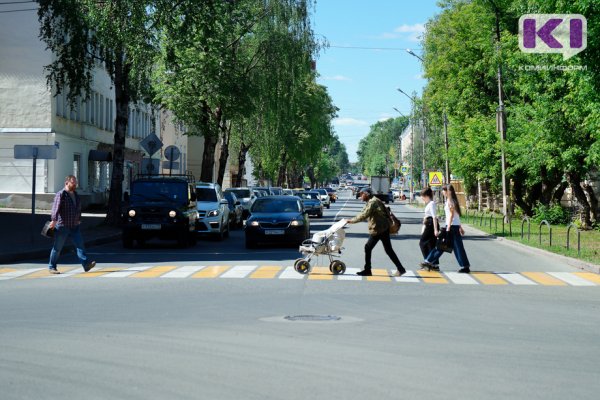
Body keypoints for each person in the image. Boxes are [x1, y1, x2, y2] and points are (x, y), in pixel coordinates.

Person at [347, 187, 406, 277]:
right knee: (388, 250)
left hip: (379, 229)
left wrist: (352, 221)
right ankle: (400, 269)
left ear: (366, 194)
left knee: (368, 247)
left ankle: (368, 270)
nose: (360, 196)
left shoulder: (373, 202)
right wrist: (352, 219)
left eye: (361, 194)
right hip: (382, 228)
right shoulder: (371, 201)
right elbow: (363, 212)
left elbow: (364, 214)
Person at [47, 175, 96, 274]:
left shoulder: (76, 195)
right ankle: (52, 267)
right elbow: (55, 208)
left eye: (75, 183)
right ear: (67, 183)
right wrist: (53, 220)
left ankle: (86, 265)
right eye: (73, 183)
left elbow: (78, 208)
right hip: (62, 226)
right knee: (57, 248)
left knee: (80, 246)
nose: (75, 184)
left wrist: (79, 219)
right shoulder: (61, 194)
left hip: (74, 226)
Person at [421, 184, 471, 273]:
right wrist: (460, 227)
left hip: (450, 227)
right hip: (453, 226)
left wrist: (448, 228)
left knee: (442, 245)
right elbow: (456, 215)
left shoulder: (450, 201)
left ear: (449, 191)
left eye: (444, 190)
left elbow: (452, 215)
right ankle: (465, 266)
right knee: (452, 247)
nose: (443, 192)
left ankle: (428, 261)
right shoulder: (452, 200)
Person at [419, 187, 440, 271]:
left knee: (422, 243)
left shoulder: (431, 204)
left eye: (422, 196)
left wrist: (435, 229)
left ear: (427, 196)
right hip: (429, 224)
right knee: (430, 244)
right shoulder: (429, 204)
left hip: (431, 225)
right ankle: (434, 264)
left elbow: (434, 217)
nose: (422, 198)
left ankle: (428, 262)